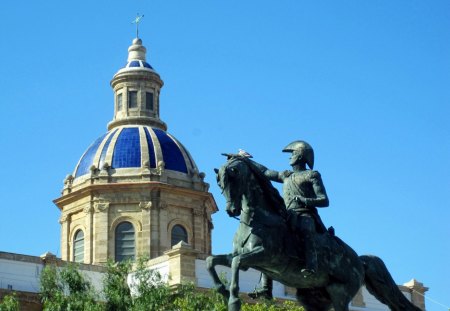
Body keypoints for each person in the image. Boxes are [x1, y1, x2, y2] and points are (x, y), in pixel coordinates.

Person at [249, 140, 329, 299]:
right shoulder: (286, 175)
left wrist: (305, 200)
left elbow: (324, 200)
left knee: (307, 231)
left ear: (301, 156)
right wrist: (245, 160)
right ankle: (265, 286)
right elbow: (265, 171)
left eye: (293, 154)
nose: (290, 157)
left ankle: (311, 266)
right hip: (287, 216)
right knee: (269, 241)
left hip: (305, 214)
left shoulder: (312, 175)